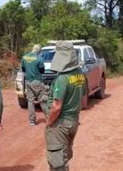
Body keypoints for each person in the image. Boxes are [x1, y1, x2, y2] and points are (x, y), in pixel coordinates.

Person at [44, 41, 86, 171]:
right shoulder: (80, 74)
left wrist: (48, 122)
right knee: (65, 155)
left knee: (58, 163)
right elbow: (82, 97)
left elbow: (57, 106)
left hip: (60, 123)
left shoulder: (62, 78)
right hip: (73, 121)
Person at [21, 44, 48, 126]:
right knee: (43, 100)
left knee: (30, 101)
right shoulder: (39, 59)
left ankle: (32, 121)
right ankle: (50, 117)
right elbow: (42, 70)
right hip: (37, 82)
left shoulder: (24, 57)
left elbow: (23, 69)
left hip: (28, 82)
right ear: (39, 51)